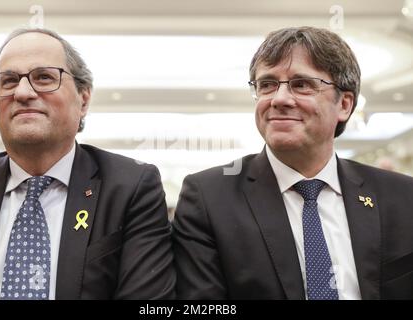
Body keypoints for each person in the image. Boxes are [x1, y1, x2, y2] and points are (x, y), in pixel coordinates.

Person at [172, 26, 413, 300]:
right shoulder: (209, 199)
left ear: (345, 105)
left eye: (301, 84)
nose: (279, 99)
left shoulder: (402, 197)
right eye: (267, 85)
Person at [0, 28, 175, 300]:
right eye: (9, 81)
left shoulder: (130, 188)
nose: (23, 92)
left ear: (83, 99)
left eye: (44, 77)